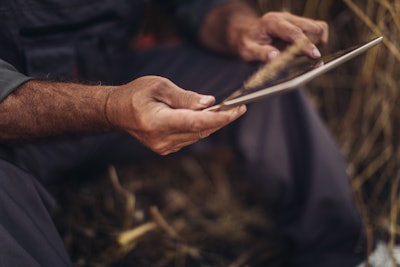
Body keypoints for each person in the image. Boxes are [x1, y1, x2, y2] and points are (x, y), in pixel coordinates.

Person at [0, 0, 366, 266]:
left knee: (259, 80)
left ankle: (340, 255)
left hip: (118, 83)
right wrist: (109, 106)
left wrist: (239, 29)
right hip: (14, 133)